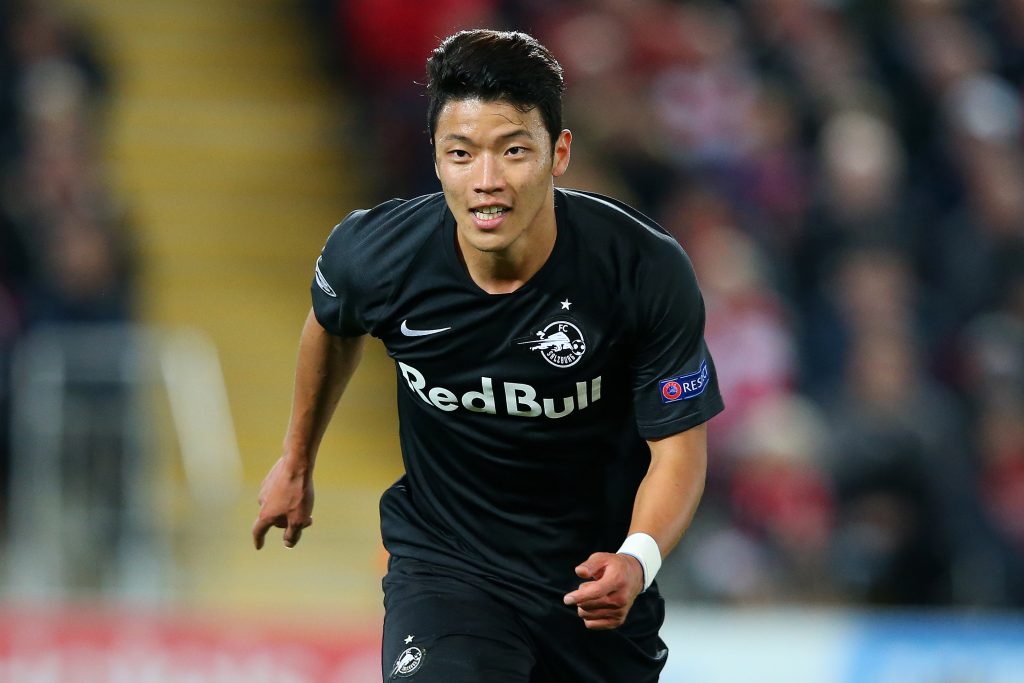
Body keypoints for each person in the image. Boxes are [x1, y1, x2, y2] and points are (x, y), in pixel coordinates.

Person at [252, 29, 724, 682]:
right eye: (461, 153)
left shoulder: (640, 269)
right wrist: (296, 458)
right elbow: (331, 326)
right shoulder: (375, 256)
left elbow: (679, 448)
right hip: (446, 567)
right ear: (437, 159)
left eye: (513, 151)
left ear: (558, 153)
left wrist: (637, 558)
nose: (486, 181)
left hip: (592, 588)